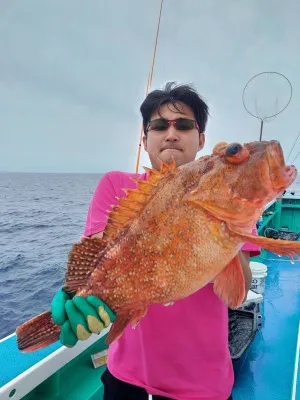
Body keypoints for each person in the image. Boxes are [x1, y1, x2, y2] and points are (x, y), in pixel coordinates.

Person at [51, 82, 260, 400]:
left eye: (184, 125)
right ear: (145, 138)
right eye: (159, 125)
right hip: (126, 379)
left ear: (201, 138)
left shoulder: (227, 197)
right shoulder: (117, 186)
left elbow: (238, 293)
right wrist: (73, 291)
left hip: (204, 386)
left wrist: (231, 226)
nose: (171, 134)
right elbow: (96, 257)